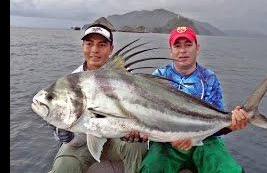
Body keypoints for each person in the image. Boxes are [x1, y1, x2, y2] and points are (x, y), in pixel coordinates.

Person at [138, 26, 249, 173]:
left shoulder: (209, 78)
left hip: (206, 141)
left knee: (229, 170)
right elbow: (150, 115)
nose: (182, 50)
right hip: (167, 143)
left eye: (188, 45)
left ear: (198, 48)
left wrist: (231, 125)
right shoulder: (158, 76)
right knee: (150, 168)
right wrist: (172, 137)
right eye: (177, 46)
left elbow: (218, 120)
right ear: (170, 50)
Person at [49, 19, 148, 173]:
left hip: (118, 139)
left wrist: (135, 129)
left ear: (111, 49)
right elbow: (78, 130)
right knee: (64, 166)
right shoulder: (72, 81)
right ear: (83, 46)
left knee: (136, 145)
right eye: (89, 43)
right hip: (85, 142)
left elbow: (138, 112)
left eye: (101, 45)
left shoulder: (125, 78)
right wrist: (67, 135)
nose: (94, 50)